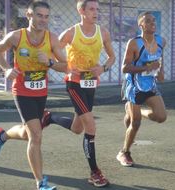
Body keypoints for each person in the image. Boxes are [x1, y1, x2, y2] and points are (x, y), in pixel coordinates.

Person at [0, 1, 67, 189]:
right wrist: (7, 69)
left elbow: (66, 66)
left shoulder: (52, 38)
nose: (43, 20)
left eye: (46, 16)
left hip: (41, 92)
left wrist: (49, 62)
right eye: (39, 15)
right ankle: (41, 182)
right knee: (36, 135)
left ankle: (3, 135)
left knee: (28, 133)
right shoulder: (16, 36)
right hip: (22, 91)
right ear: (29, 15)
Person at [41, 0, 115, 187]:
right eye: (91, 9)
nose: (96, 12)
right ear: (81, 11)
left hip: (91, 84)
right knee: (90, 126)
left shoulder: (103, 32)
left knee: (77, 128)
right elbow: (52, 52)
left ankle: (49, 117)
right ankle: (94, 172)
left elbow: (112, 57)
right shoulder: (71, 32)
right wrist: (64, 66)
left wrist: (103, 68)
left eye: (97, 9)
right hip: (74, 84)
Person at [117, 11, 167, 167]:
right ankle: (124, 152)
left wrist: (160, 72)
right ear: (141, 25)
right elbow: (124, 68)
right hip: (134, 86)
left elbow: (159, 61)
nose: (153, 23)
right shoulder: (134, 43)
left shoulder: (161, 41)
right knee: (135, 123)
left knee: (161, 116)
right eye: (148, 21)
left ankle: (134, 111)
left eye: (154, 21)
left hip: (150, 85)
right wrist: (146, 67)